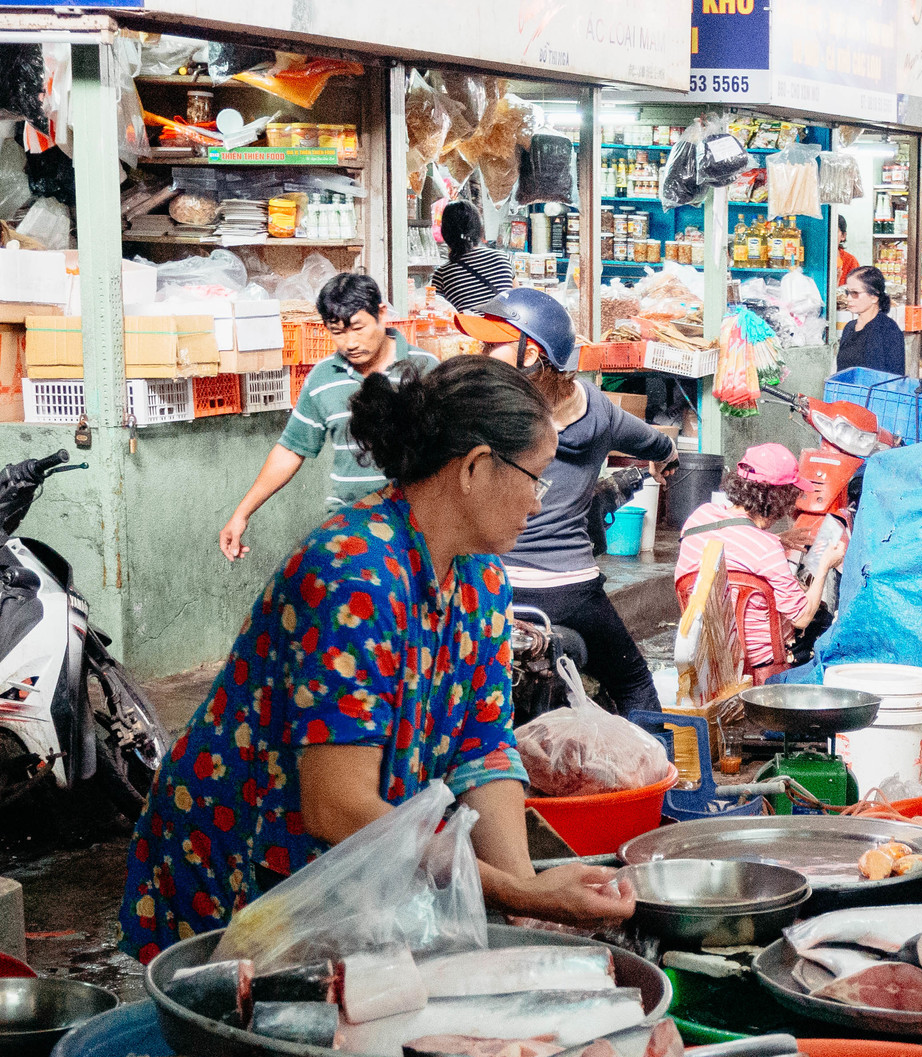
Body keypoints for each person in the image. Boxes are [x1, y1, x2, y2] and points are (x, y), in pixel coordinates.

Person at [120, 356, 637, 961]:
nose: (538, 502)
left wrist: (525, 890)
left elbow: (482, 748)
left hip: (346, 867)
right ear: (474, 468)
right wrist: (512, 894)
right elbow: (338, 806)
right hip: (239, 858)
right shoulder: (354, 573)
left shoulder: (480, 578)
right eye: (536, 477)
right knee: (238, 1034)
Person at [454, 289, 676, 718]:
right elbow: (653, 441)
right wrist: (666, 457)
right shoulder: (597, 410)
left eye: (491, 343)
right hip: (569, 588)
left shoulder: (481, 414)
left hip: (492, 584)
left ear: (531, 355)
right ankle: (656, 777)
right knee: (632, 681)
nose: (480, 352)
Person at [218, 274, 431, 560]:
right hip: (350, 526)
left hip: (418, 527)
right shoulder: (322, 378)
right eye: (338, 331)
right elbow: (291, 449)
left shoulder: (426, 370)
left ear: (381, 314)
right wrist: (241, 514)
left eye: (358, 328)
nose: (350, 342)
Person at [672, 444, 843, 676]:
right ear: (780, 498)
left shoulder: (699, 517)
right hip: (759, 660)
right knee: (821, 619)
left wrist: (777, 539)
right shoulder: (766, 548)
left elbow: (729, 546)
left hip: (705, 649)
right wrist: (824, 566)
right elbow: (801, 617)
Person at [427, 201, 515, 313]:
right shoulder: (503, 259)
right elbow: (516, 299)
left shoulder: (442, 274)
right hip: (503, 329)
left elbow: (438, 314)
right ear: (479, 227)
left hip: (467, 330)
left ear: (446, 233)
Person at [835, 265, 904, 376]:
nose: (848, 299)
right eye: (848, 293)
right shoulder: (849, 328)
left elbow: (894, 378)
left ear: (874, 297)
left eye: (855, 293)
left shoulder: (888, 330)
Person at [836, 215, 858, 287]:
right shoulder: (811, 260)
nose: (829, 235)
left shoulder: (850, 261)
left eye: (834, 231)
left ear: (843, 236)